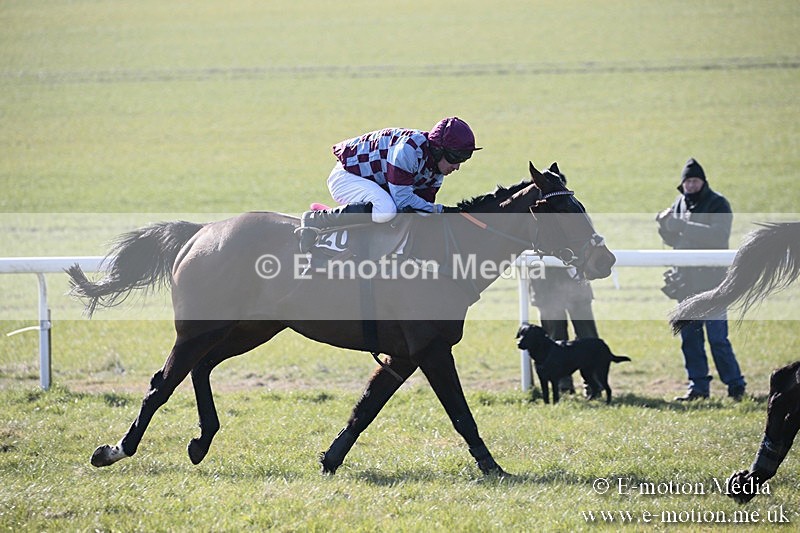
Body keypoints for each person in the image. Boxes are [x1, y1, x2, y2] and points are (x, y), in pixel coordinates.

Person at [296, 117, 481, 252]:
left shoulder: (436, 169)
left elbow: (420, 208)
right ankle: (317, 219)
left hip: (375, 184)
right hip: (347, 178)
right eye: (455, 158)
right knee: (386, 210)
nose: (457, 167)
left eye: (463, 160)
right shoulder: (407, 151)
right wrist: (442, 211)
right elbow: (403, 201)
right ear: (439, 149)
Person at [656, 157, 746, 401]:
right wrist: (664, 226)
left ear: (703, 182)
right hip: (685, 284)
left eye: (695, 181)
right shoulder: (679, 203)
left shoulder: (718, 203)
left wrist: (681, 225)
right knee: (690, 339)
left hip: (713, 284)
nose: (691, 185)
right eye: (687, 181)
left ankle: (736, 385)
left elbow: (718, 236)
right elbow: (673, 239)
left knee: (718, 339)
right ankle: (698, 387)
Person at [528, 166, 600, 396]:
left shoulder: (574, 213)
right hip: (546, 286)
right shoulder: (535, 216)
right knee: (554, 339)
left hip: (574, 284)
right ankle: (562, 385)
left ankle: (594, 384)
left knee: (587, 337)